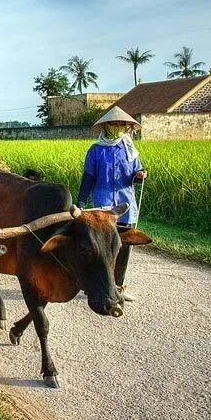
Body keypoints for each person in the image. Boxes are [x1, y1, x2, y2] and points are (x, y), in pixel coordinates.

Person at [78, 106, 147, 302]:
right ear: (105, 126)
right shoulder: (96, 151)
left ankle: (119, 285)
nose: (117, 127)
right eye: (114, 124)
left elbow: (137, 172)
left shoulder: (130, 150)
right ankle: (99, 283)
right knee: (103, 249)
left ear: (127, 128)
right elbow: (88, 178)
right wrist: (81, 202)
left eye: (121, 124)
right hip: (104, 205)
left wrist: (140, 175)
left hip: (126, 205)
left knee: (124, 247)